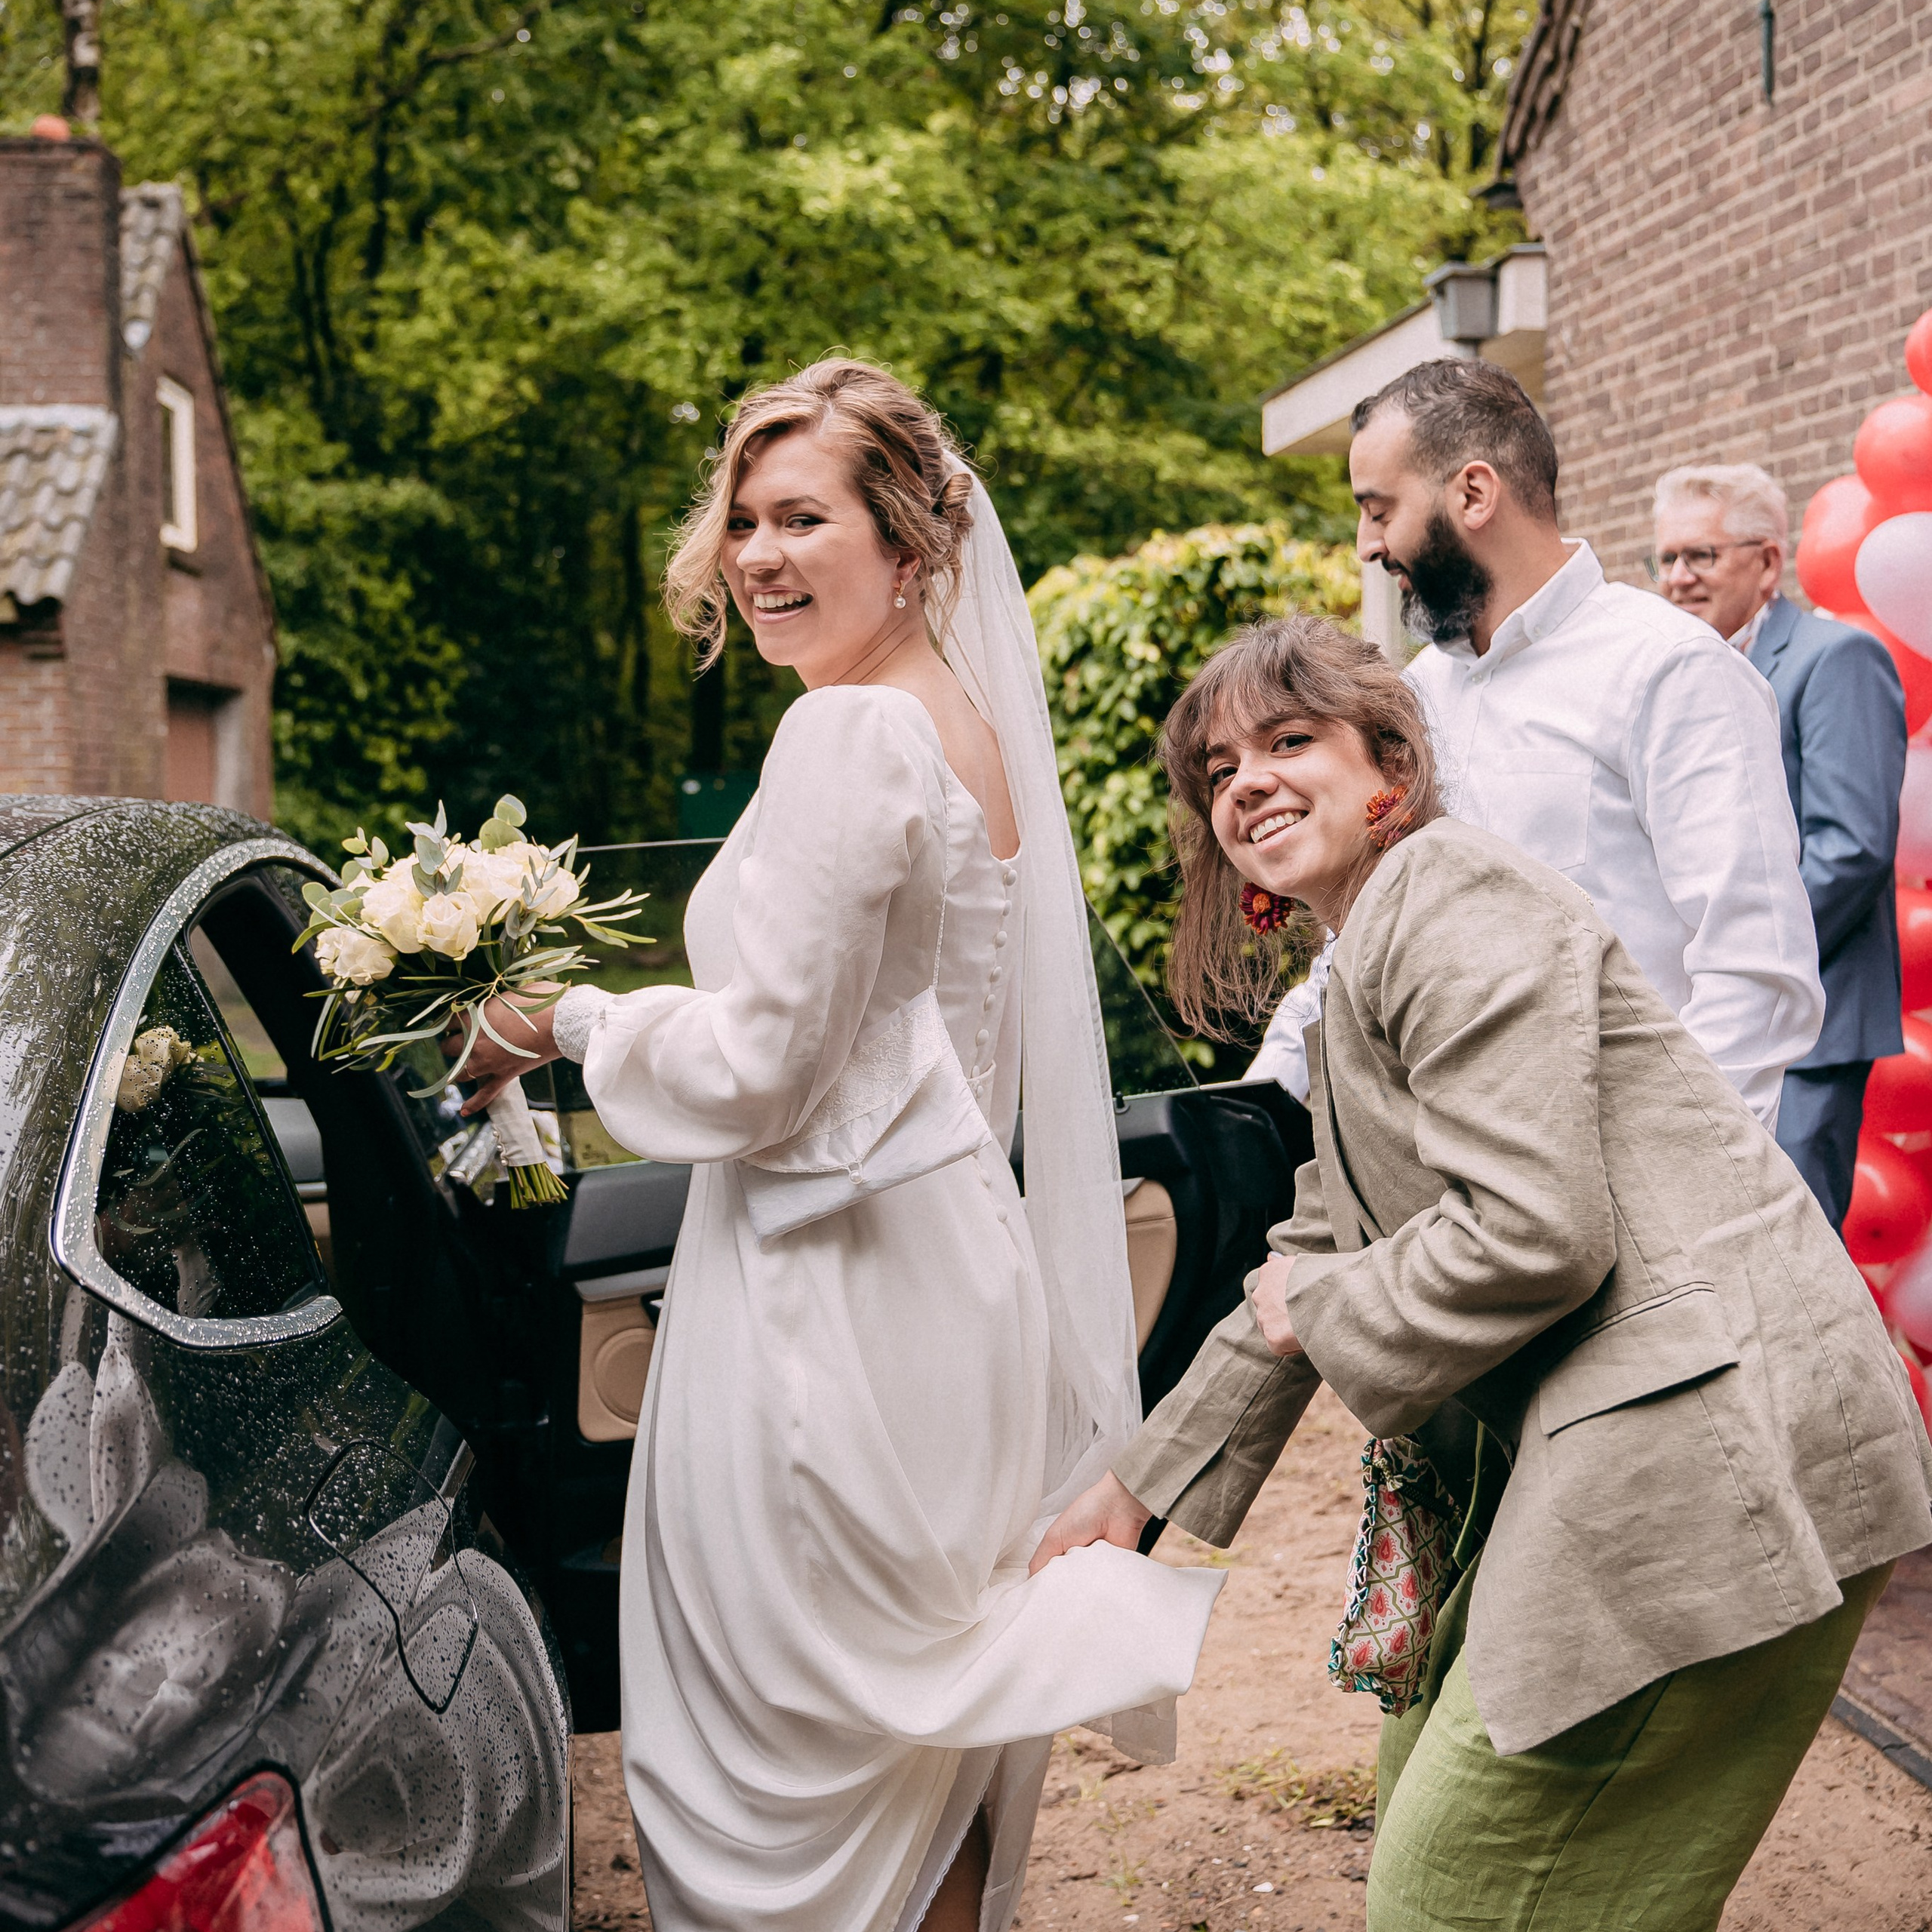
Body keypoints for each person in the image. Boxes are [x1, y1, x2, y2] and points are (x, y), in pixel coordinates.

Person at [454, 361, 1221, 1932]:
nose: (757, 553)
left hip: (828, 1295)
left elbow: (753, 1073)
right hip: (952, 1275)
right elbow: (922, 1046)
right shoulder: (970, 727)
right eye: (743, 516)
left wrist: (562, 1021)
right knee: (911, 1734)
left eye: (802, 516)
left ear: (913, 543)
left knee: (787, 1736)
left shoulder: (848, 736)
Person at [1035, 615, 1932, 1930]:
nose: (1248, 783)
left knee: (1454, 1900)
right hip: (1633, 1457)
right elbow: (1311, 1253)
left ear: (1387, 760)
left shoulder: (1450, 893)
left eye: (1291, 742)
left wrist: (1323, 1308)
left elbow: (1531, 1233)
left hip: (1717, 1465)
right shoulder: (1362, 962)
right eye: (1219, 771)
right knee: (1433, 1837)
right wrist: (1134, 1490)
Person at [1249, 360, 1823, 1131]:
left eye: (1380, 512)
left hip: (1641, 1187)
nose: (1365, 546)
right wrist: (1248, 1115)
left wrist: (1669, 1186)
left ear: (1473, 494)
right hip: (1458, 1187)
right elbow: (1360, 942)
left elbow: (1755, 970)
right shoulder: (1413, 698)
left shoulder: (1669, 669)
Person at [1653, 462, 1906, 1230]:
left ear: (1768, 561)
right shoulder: (1677, 677)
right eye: (1664, 558)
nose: (1677, 578)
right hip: (1703, 1015)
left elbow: (1851, 847)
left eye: (1701, 555)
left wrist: (1743, 955)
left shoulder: (1833, 661)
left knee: (1791, 1255)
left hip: (1808, 1024)